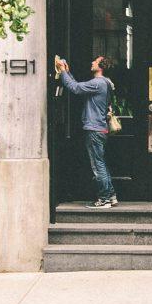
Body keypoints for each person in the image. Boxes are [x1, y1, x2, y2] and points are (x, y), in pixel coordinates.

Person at [58, 55, 117, 208]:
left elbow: (75, 88)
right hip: (100, 128)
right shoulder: (106, 83)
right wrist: (68, 73)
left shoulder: (97, 83)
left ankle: (104, 199)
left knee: (97, 165)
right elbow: (77, 85)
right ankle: (111, 196)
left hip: (94, 128)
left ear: (101, 66)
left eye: (95, 62)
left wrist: (63, 71)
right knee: (101, 163)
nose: (92, 62)